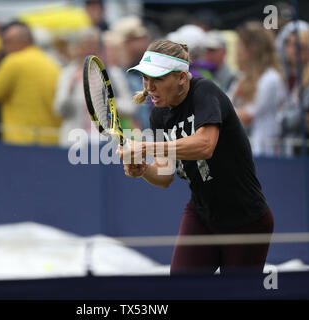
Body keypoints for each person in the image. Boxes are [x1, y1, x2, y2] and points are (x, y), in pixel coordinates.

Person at [119, 39, 274, 275]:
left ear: (181, 77)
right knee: (181, 290)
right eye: (145, 78)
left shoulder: (205, 92)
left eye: (158, 79)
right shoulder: (158, 115)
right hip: (201, 215)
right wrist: (142, 169)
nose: (150, 87)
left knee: (237, 296)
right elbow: (164, 176)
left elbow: (205, 145)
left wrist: (144, 148)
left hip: (246, 220)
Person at [0, 21, 62, 146]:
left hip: (20, 144)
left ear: (22, 41)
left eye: (7, 42)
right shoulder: (51, 63)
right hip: (52, 142)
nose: (4, 48)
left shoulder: (13, 61)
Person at [228, 22, 286, 156]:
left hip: (263, 152)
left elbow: (248, 115)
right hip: (241, 149)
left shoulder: (271, 78)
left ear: (253, 48)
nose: (236, 51)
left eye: (240, 45)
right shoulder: (241, 77)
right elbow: (227, 103)